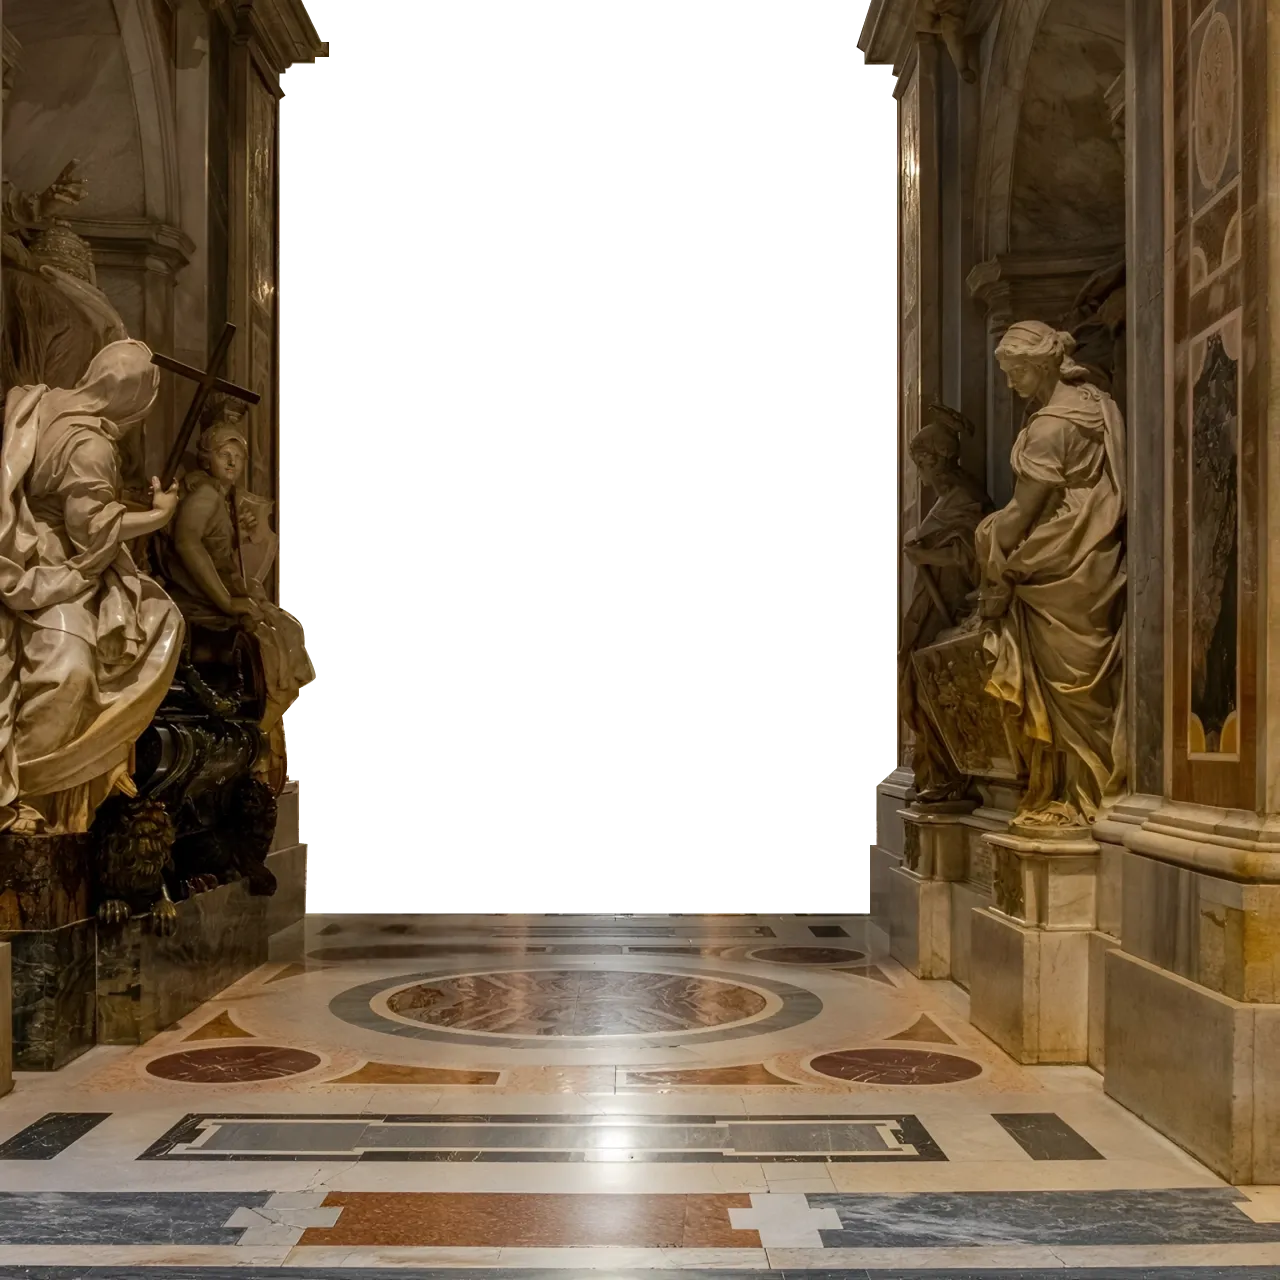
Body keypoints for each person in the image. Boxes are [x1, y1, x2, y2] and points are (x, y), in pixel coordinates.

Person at [0, 339, 184, 833]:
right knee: (74, 667)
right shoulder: (92, 445)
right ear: (134, 401)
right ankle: (32, 787)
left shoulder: (37, 399)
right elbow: (89, 527)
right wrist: (157, 515)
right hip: (52, 565)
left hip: (16, 546)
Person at [976, 320, 1126, 827]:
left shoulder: (1050, 427)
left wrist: (990, 549)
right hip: (1093, 544)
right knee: (1082, 686)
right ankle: (1079, 790)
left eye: (1015, 370)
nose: (1010, 381)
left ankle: (1078, 796)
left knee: (1067, 683)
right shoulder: (1094, 401)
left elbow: (1022, 513)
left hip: (1059, 556)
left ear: (1040, 364)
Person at [151, 405, 313, 789]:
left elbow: (219, 549)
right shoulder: (205, 494)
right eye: (225, 452)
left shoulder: (220, 498)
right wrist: (226, 602)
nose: (232, 461)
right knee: (280, 642)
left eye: (239, 456)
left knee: (284, 636)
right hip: (200, 603)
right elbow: (187, 543)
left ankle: (263, 735)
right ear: (207, 456)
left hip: (216, 597)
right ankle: (261, 734)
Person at [898, 402, 993, 800]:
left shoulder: (965, 495)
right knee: (912, 678)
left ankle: (949, 775)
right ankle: (935, 772)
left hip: (952, 602)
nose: (918, 469)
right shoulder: (945, 497)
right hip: (930, 598)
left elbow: (976, 554)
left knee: (927, 685)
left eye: (920, 460)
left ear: (937, 459)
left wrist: (925, 555)